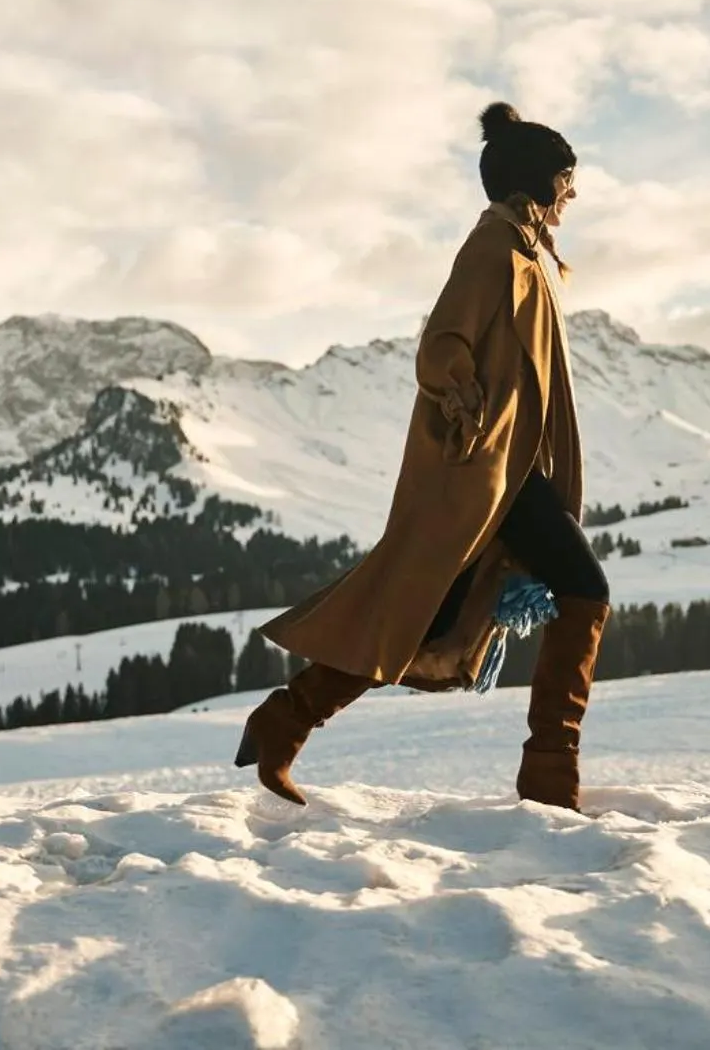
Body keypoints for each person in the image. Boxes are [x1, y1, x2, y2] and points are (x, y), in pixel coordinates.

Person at [236, 102, 610, 811]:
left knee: (425, 616)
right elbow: (442, 341)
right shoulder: (494, 248)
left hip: (506, 469)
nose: (572, 195)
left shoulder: (525, 252)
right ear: (536, 182)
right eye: (566, 180)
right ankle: (549, 777)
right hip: (486, 471)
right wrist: (463, 401)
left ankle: (286, 720)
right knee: (583, 589)